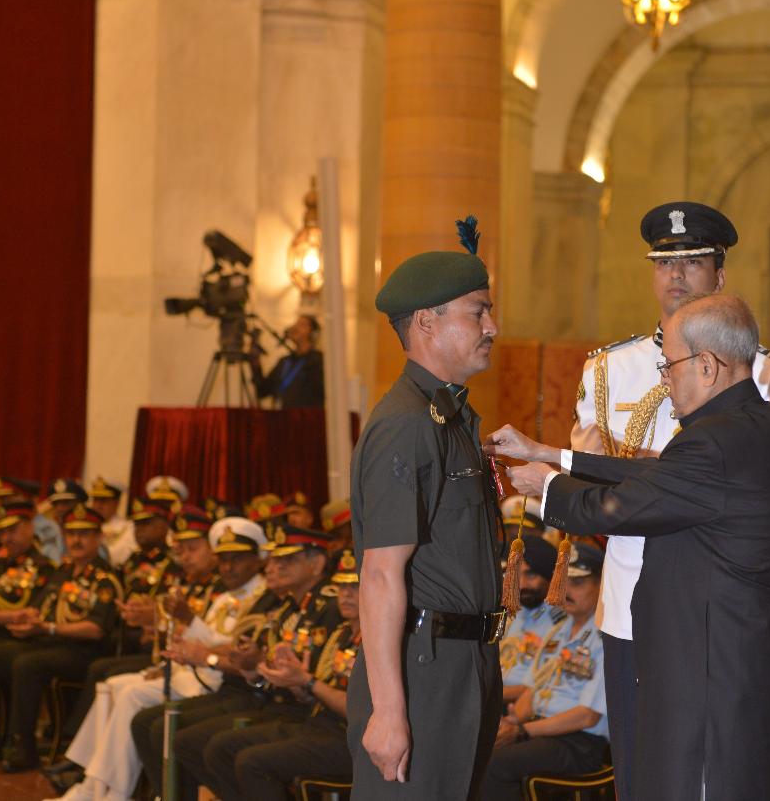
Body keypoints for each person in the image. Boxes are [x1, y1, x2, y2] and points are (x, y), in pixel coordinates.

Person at [487, 294, 770, 801]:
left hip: (709, 682)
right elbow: (656, 475)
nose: (664, 378)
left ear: (708, 366)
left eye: (670, 364)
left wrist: (545, 487)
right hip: (729, 670)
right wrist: (551, 455)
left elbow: (617, 508)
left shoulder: (715, 442)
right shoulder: (748, 426)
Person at [570, 199, 770, 799]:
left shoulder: (761, 372)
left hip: (707, 607)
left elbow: (758, 490)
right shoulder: (608, 368)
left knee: (703, 772)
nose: (676, 275)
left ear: (719, 276)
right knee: (639, 772)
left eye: (693, 262)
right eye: (664, 263)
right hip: (628, 596)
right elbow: (591, 485)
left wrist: (649, 478)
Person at [347, 244, 504, 799]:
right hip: (422, 669)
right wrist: (389, 710)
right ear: (426, 323)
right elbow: (380, 573)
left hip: (465, 663)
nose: (492, 327)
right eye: (477, 312)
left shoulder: (448, 418)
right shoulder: (408, 424)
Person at [44, 516, 266, 801]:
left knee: (132, 695)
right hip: (195, 674)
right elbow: (197, 641)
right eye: (223, 560)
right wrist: (167, 661)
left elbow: (229, 647)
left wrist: (189, 622)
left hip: (216, 682)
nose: (227, 567)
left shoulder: (260, 597)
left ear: (258, 560)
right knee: (115, 686)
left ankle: (108, 792)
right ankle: (92, 785)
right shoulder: (225, 598)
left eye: (236, 559)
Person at [0, 503, 121, 771]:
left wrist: (48, 628)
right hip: (46, 642)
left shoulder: (105, 578)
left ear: (99, 537)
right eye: (71, 534)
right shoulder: (63, 572)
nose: (76, 540)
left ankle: (23, 745)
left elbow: (96, 629)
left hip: (81, 651)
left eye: (84, 534)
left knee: (27, 664)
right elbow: (36, 609)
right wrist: (24, 620)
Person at [196, 548, 362, 801]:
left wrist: (308, 681)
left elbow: (359, 710)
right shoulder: (341, 633)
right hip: (318, 723)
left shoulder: (377, 641)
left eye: (356, 587)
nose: (346, 594)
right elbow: (313, 695)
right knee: (220, 749)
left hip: (349, 737)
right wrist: (295, 682)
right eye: (342, 586)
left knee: (252, 762)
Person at [482, 543, 608, 801]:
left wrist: (524, 731)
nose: (567, 590)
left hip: (579, 741)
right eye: (565, 581)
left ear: (601, 586)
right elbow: (532, 689)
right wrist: (511, 724)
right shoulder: (560, 631)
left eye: (578, 583)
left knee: (496, 764)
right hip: (542, 729)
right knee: (481, 746)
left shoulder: (606, 640)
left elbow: (587, 716)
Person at [497, 533, 562, 703]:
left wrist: (484, 696)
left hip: (522, 705)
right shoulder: (514, 613)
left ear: (550, 577)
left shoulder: (560, 623)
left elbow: (538, 685)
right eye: (517, 574)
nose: (522, 584)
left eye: (531, 575)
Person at [255, 314, 325, 409]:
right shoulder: (284, 361)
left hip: (308, 416)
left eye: (302, 325)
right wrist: (256, 365)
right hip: (284, 416)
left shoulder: (318, 360)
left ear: (313, 333)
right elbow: (263, 391)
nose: (295, 327)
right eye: (296, 324)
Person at [88, 477, 136, 565]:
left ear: (116, 503)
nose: (98, 506)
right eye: (95, 500)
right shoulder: (86, 527)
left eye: (103, 501)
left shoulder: (128, 528)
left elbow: (122, 555)